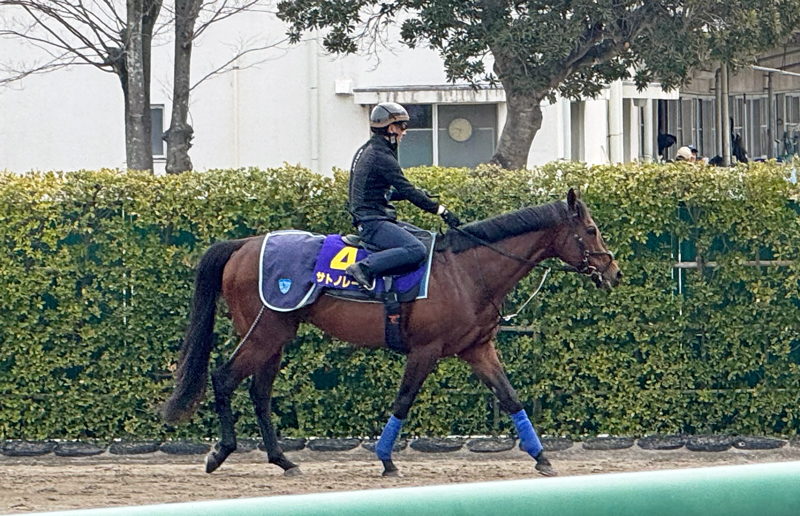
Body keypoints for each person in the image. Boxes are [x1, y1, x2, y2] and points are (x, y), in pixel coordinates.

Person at [345, 102, 462, 289]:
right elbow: (408, 189)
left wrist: (407, 195)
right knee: (416, 250)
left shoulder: (369, 149)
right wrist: (441, 210)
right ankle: (363, 268)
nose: (405, 132)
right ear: (391, 128)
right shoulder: (382, 156)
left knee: (425, 237)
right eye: (402, 127)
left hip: (372, 217)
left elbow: (376, 191)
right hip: (372, 223)